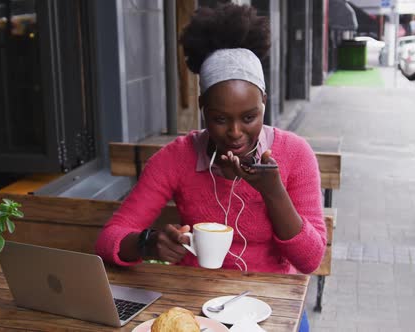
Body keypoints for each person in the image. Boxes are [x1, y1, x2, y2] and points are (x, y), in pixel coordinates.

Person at [96, 4, 325, 331]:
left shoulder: (295, 154)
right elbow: (108, 239)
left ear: (264, 102)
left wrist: (273, 193)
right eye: (220, 119)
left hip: (272, 304)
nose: (235, 132)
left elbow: (310, 259)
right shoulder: (176, 158)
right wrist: (148, 243)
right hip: (197, 304)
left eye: (249, 117)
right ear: (203, 109)